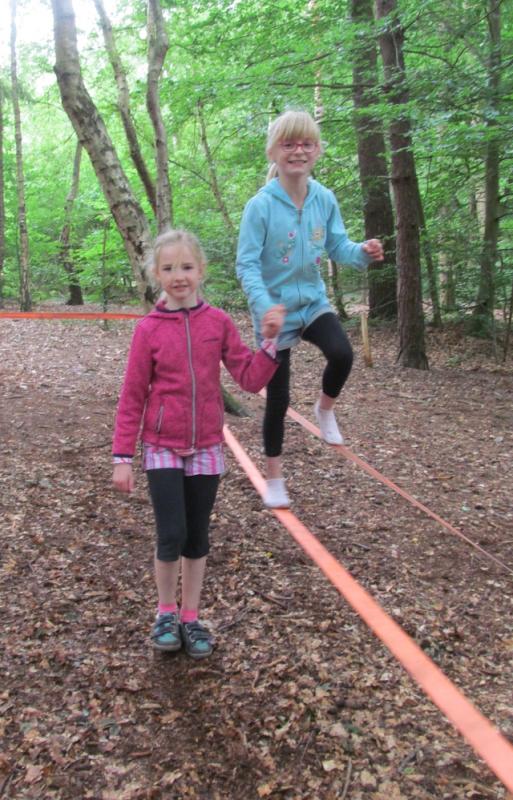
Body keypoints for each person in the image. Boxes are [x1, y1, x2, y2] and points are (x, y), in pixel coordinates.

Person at [112, 229, 283, 658]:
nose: (179, 276)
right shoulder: (148, 330)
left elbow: (248, 377)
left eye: (186, 267)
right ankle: (165, 613)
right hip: (161, 445)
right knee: (171, 533)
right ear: (156, 274)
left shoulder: (218, 322)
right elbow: (132, 395)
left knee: (197, 536)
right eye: (169, 268)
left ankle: (191, 616)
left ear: (200, 270)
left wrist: (270, 344)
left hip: (206, 445)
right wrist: (122, 456)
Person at [236, 110, 384, 509]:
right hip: (275, 315)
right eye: (288, 144)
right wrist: (265, 307)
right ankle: (274, 478)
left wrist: (363, 252)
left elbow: (338, 246)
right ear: (273, 151)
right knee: (278, 400)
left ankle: (324, 409)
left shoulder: (324, 199)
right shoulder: (260, 206)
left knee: (342, 353)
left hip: (313, 303)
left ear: (317, 150)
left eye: (306, 144)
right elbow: (246, 265)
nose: (298, 151)